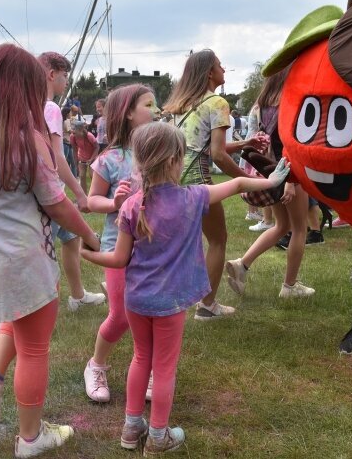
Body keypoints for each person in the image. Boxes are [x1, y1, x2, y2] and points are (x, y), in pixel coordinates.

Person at [80, 121, 289, 454]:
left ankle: (131, 429)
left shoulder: (133, 205)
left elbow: (119, 260)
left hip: (136, 300)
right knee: (163, 368)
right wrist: (274, 179)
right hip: (170, 303)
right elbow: (236, 184)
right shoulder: (194, 197)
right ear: (175, 161)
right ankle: (159, 436)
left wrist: (89, 255)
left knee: (140, 359)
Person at [0, 44, 100, 458]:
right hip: (27, 260)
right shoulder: (28, 141)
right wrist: (90, 236)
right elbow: (56, 204)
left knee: (17, 321)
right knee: (35, 348)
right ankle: (31, 438)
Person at [162, 49, 266, 320]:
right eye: (220, 65)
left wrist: (245, 143)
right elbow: (217, 154)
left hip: (172, 181)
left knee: (178, 244)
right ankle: (207, 307)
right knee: (218, 241)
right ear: (210, 72)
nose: (223, 69)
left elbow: (202, 147)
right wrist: (248, 181)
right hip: (200, 183)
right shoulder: (217, 103)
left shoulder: (180, 104)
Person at [83, 84, 155, 403]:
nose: (155, 110)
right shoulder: (110, 159)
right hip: (118, 250)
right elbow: (91, 200)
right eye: (148, 105)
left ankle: (149, 368)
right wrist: (114, 203)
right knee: (122, 316)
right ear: (128, 113)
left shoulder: (157, 151)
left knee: (153, 311)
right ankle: (96, 365)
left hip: (154, 249)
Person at [225, 65, 316, 299]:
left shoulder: (262, 104)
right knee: (299, 229)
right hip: (289, 171)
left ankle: (241, 265)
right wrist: (292, 182)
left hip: (270, 171)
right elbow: (291, 141)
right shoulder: (289, 101)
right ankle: (290, 286)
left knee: (281, 226)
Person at [37, 51, 105, 312]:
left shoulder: (29, 106)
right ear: (52, 74)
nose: (66, 82)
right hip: (51, 193)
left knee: (70, 239)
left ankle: (77, 296)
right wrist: (79, 192)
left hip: (46, 190)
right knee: (41, 253)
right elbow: (56, 157)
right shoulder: (50, 107)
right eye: (65, 76)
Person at [70, 119, 99, 195]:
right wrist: (76, 163)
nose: (73, 132)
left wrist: (91, 159)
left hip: (93, 157)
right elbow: (74, 150)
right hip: (82, 157)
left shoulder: (89, 136)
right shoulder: (73, 137)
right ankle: (84, 196)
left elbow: (97, 147)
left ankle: (95, 194)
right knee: (82, 176)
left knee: (92, 176)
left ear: (80, 130)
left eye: (74, 130)